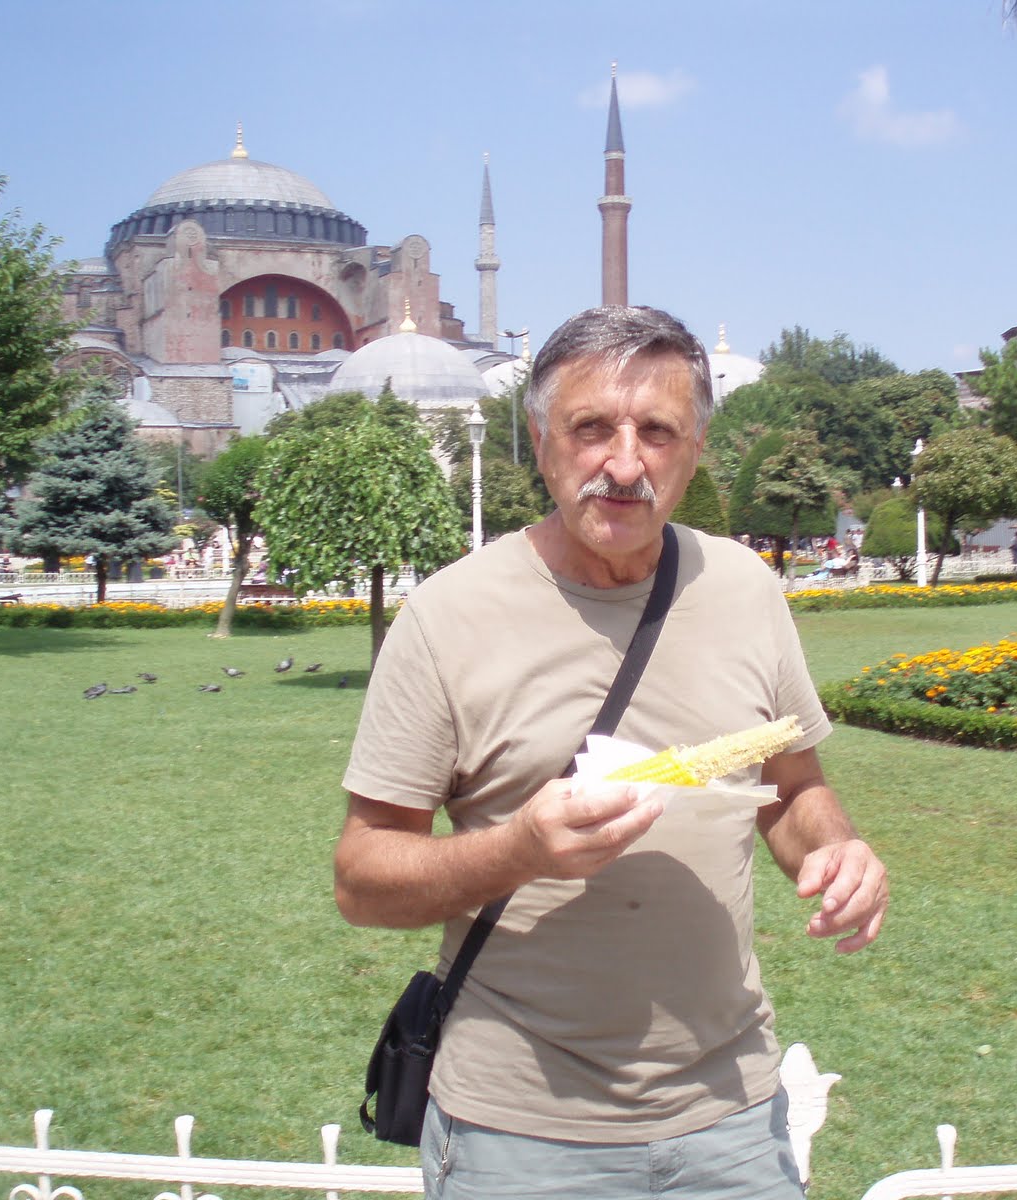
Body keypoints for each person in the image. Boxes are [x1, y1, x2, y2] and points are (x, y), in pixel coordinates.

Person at [335, 306, 887, 1199]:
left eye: (657, 432)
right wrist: (518, 851)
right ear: (540, 441)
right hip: (520, 1135)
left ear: (695, 448)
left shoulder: (743, 589)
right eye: (591, 427)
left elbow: (790, 787)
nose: (625, 464)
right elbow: (362, 879)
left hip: (733, 1118)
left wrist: (836, 848)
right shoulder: (448, 617)